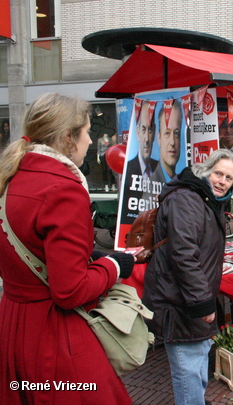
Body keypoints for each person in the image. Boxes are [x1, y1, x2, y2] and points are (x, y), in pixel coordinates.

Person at [0, 93, 138, 404]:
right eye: (87, 131)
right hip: (54, 333)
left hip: (14, 323)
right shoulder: (63, 189)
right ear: (66, 137)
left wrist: (88, 257)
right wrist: (114, 266)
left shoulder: (12, 177)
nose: (91, 141)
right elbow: (70, 290)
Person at [143, 149, 233, 405]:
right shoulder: (188, 200)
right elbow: (184, 254)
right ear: (206, 171)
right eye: (218, 173)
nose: (222, 181)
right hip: (180, 302)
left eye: (228, 178)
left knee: (198, 357)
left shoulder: (206, 199)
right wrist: (202, 302)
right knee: (188, 366)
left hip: (188, 298)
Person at [121, 100, 159, 222]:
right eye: (143, 130)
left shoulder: (160, 168)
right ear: (137, 133)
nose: (147, 139)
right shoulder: (128, 169)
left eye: (150, 130)